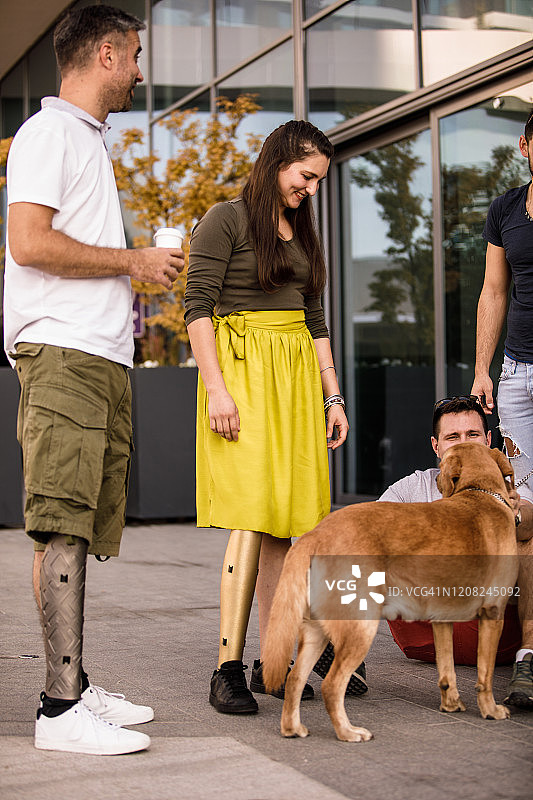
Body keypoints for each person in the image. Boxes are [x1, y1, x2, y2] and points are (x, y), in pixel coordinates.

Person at [4, 5, 184, 754]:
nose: (142, 70)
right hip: (65, 354)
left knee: (78, 526)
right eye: (136, 55)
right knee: (62, 522)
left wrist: (132, 274)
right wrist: (132, 262)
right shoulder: (50, 132)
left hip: (97, 356)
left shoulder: (84, 140)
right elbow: (28, 241)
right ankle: (58, 712)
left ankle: (73, 686)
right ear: (106, 53)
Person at [184, 120, 367, 715]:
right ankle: (227, 669)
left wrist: (332, 396)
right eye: (305, 176)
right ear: (278, 161)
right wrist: (217, 391)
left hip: (294, 379)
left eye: (319, 180)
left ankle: (286, 656)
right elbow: (197, 309)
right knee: (248, 517)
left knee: (298, 525)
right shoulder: (226, 219)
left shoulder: (304, 232)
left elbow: (315, 321)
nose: (311, 188)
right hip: (241, 374)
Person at [379, 396, 533, 707]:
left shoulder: (508, 482)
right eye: (453, 437)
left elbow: (529, 525)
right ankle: (340, 649)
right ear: (436, 446)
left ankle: (527, 659)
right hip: (423, 628)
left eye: (472, 435)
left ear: (489, 441)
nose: (464, 443)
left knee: (528, 538)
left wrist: (509, 512)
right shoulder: (413, 486)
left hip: (499, 631)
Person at [471, 108, 533, 706]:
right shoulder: (506, 210)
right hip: (516, 375)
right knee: (523, 509)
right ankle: (528, 654)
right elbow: (494, 290)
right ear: (525, 145)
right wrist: (482, 369)